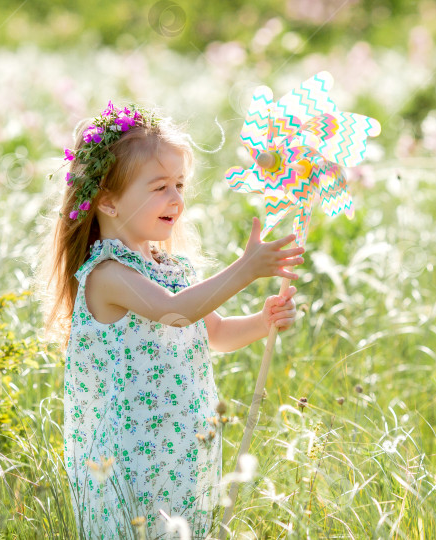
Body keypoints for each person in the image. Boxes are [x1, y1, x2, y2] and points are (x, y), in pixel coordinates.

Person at [36, 100, 304, 539]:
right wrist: (246, 269)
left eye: (179, 185)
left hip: (183, 448)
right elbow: (175, 313)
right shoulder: (107, 274)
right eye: (159, 186)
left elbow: (212, 332)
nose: (176, 199)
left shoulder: (170, 267)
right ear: (108, 200)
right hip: (130, 460)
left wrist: (262, 320)